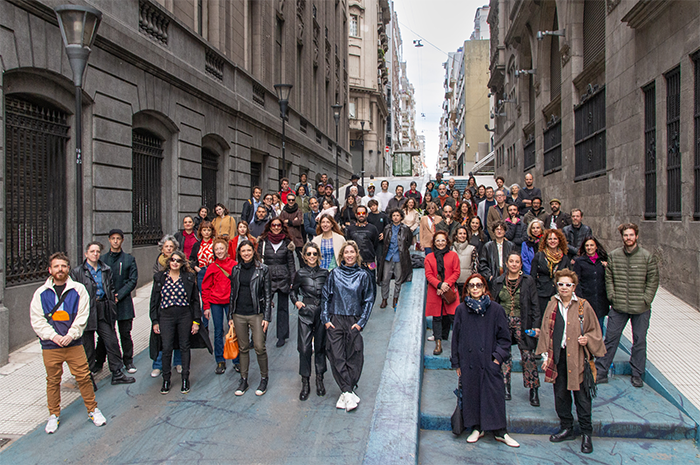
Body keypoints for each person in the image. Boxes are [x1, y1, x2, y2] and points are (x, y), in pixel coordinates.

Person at [31, 252, 107, 434]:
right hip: (51, 345)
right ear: (50, 270)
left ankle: (92, 409)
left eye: (64, 266)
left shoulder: (78, 290)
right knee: (53, 380)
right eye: (56, 266)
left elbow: (82, 315)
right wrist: (53, 336)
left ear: (68, 269)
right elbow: (37, 319)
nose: (60, 269)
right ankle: (53, 415)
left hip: (73, 344)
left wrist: (71, 334)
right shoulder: (41, 293)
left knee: (84, 377)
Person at [536, 269, 605, 454]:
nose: (564, 288)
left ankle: (586, 433)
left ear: (574, 286)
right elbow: (545, 332)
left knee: (582, 397)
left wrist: (587, 339)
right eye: (560, 284)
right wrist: (546, 357)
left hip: (578, 357)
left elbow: (594, 331)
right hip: (559, 356)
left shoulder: (583, 305)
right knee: (560, 394)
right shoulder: (552, 305)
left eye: (568, 284)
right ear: (556, 285)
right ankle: (566, 427)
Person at [451, 273, 519, 448]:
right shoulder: (461, 310)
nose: (475, 288)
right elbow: (456, 338)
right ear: (467, 289)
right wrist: (457, 363)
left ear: (484, 288)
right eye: (471, 285)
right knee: (472, 394)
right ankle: (477, 427)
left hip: (489, 361)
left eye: (478, 285)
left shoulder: (496, 310)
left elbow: (505, 339)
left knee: (494, 394)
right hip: (469, 362)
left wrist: (496, 358)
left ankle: (500, 431)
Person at [594, 223, 659, 388]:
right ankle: (601, 372)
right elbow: (609, 278)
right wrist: (612, 297)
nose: (628, 238)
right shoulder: (614, 256)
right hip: (619, 306)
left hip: (641, 307)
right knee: (610, 339)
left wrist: (647, 299)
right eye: (625, 235)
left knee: (639, 341)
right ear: (622, 237)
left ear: (636, 236)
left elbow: (653, 280)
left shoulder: (647, 256)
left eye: (631, 235)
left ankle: (637, 374)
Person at [321, 240, 376, 412]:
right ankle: (348, 392)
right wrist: (326, 319)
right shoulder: (334, 274)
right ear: (342, 255)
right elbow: (325, 297)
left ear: (356, 254)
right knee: (336, 355)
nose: (349, 255)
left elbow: (368, 300)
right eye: (346, 252)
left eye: (352, 252)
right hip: (336, 318)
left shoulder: (363, 275)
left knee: (354, 355)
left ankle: (346, 391)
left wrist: (361, 323)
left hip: (353, 318)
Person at [70, 242, 135, 386]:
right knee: (87, 345)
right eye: (92, 251)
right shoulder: (77, 272)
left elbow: (110, 287)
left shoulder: (105, 269)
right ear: (86, 254)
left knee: (111, 341)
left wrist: (111, 302)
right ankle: (87, 377)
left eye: (97, 251)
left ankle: (117, 372)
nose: (95, 254)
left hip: (103, 308)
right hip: (87, 310)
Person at [150, 250, 212, 395]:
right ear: (169, 262)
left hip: (184, 315)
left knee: (184, 346)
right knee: (166, 347)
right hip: (166, 316)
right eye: (173, 260)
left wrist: (196, 321)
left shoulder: (189, 277)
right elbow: (154, 301)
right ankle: (166, 379)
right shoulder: (160, 278)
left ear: (182, 263)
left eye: (178, 260)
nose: (175, 263)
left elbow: (196, 301)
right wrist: (154, 321)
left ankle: (185, 378)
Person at [492, 253, 541, 405]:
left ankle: (533, 389)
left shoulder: (528, 281)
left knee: (528, 355)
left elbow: (534, 304)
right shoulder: (498, 281)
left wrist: (536, 326)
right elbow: (493, 304)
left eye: (517, 262)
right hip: (504, 322)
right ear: (506, 263)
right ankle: (505, 386)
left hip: (523, 322)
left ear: (521, 265)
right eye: (511, 261)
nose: (514, 264)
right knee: (504, 355)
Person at [229, 240, 272, 397]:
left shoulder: (263, 269)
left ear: (253, 252)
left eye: (249, 250)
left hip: (256, 313)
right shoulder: (236, 270)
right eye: (243, 251)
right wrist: (230, 315)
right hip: (239, 313)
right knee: (243, 348)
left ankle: (264, 377)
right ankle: (244, 379)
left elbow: (268, 294)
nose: (246, 253)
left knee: (260, 347)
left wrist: (266, 316)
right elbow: (233, 293)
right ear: (239, 253)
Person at [291, 242, 329, 400]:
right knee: (304, 348)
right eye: (309, 254)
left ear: (318, 256)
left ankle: (320, 380)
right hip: (306, 313)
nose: (312, 257)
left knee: (320, 347)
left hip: (321, 312)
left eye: (314, 254)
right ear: (304, 256)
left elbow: (330, 292)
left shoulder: (325, 273)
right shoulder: (300, 273)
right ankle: (305, 382)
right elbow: (292, 291)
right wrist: (297, 302)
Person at [99, 229, 139, 374]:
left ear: (122, 240)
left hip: (124, 302)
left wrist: (119, 295)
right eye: (113, 238)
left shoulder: (129, 259)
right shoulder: (102, 260)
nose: (115, 241)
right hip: (106, 302)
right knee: (105, 334)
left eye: (118, 238)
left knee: (125, 333)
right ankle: (100, 362)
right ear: (109, 240)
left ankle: (128, 361)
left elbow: (132, 280)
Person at [201, 237, 238, 375]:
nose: (219, 251)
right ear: (214, 252)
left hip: (230, 302)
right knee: (218, 331)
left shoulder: (234, 265)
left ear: (226, 250)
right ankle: (220, 360)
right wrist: (206, 306)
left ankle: (236, 359)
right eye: (217, 249)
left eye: (221, 248)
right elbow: (205, 287)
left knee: (233, 331)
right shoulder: (211, 267)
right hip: (216, 302)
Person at [258, 218, 296, 347]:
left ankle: (282, 336)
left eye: (278, 225)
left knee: (283, 308)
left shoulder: (287, 242)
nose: (276, 227)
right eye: (273, 225)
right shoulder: (263, 242)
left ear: (282, 227)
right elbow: (258, 261)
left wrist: (293, 279)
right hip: (267, 277)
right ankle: (259, 335)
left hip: (283, 277)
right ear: (269, 226)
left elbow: (291, 262)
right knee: (264, 306)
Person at [150, 235, 182, 377]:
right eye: (166, 247)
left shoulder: (180, 263)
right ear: (162, 249)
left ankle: (178, 362)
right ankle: (158, 365)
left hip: (178, 307)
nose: (169, 249)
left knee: (179, 336)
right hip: (163, 306)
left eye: (171, 247)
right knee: (161, 337)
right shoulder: (158, 263)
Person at [425, 231, 460, 355]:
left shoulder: (453, 255)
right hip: (435, 291)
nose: (440, 243)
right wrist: (439, 284)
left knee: (453, 317)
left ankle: (458, 344)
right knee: (437, 317)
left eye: (443, 240)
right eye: (438, 240)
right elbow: (429, 274)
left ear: (447, 242)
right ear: (434, 242)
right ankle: (438, 343)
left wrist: (446, 285)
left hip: (449, 290)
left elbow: (456, 272)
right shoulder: (429, 257)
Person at [530, 229, 572, 314]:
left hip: (559, 293)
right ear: (546, 241)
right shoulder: (539, 256)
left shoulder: (564, 258)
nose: (552, 241)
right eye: (550, 239)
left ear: (559, 241)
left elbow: (569, 277)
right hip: (542, 293)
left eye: (555, 239)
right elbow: (533, 276)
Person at [573, 237, 610, 332]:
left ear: (596, 247)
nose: (589, 247)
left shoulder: (603, 261)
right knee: (586, 328)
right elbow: (576, 281)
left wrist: (607, 268)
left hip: (601, 300)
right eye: (587, 245)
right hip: (586, 299)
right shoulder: (580, 261)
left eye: (591, 245)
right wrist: (580, 298)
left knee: (599, 328)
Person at [378, 209, 413, 308]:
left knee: (398, 279)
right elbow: (385, 242)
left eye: (398, 215)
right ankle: (384, 299)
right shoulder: (387, 228)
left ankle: (395, 298)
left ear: (401, 217)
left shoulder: (406, 229)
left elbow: (408, 242)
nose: (396, 217)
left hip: (400, 257)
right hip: (388, 256)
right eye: (394, 215)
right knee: (385, 279)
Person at [345, 205, 380, 281]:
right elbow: (348, 244)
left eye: (363, 212)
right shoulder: (350, 229)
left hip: (371, 262)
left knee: (372, 283)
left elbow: (376, 244)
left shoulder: (373, 228)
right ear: (356, 215)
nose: (361, 214)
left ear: (367, 214)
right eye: (359, 213)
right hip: (354, 263)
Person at [478, 221, 515, 291]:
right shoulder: (487, 246)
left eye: (501, 229)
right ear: (493, 232)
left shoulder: (511, 246)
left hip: (508, 277)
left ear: (505, 231)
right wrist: (489, 276)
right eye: (497, 229)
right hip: (493, 277)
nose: (499, 231)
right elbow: (482, 263)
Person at [190, 220, 214, 301]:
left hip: (213, 272)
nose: (206, 232)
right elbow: (191, 259)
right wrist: (195, 268)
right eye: (204, 230)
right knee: (204, 298)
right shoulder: (197, 245)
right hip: (201, 271)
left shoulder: (215, 244)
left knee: (213, 297)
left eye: (209, 230)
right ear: (201, 231)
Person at [452, 225, 477, 299]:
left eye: (464, 233)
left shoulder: (472, 249)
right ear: (456, 235)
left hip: (467, 282)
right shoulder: (451, 249)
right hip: (454, 282)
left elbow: (475, 266)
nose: (462, 235)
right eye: (460, 233)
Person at [279, 193, 305, 262]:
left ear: (295, 200)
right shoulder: (283, 211)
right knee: (286, 259)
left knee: (301, 259)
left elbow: (299, 222)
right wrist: (293, 221)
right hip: (286, 238)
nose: (291, 201)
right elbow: (281, 223)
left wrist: (289, 222)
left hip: (297, 239)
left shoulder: (298, 211)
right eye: (289, 200)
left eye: (292, 200)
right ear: (287, 200)